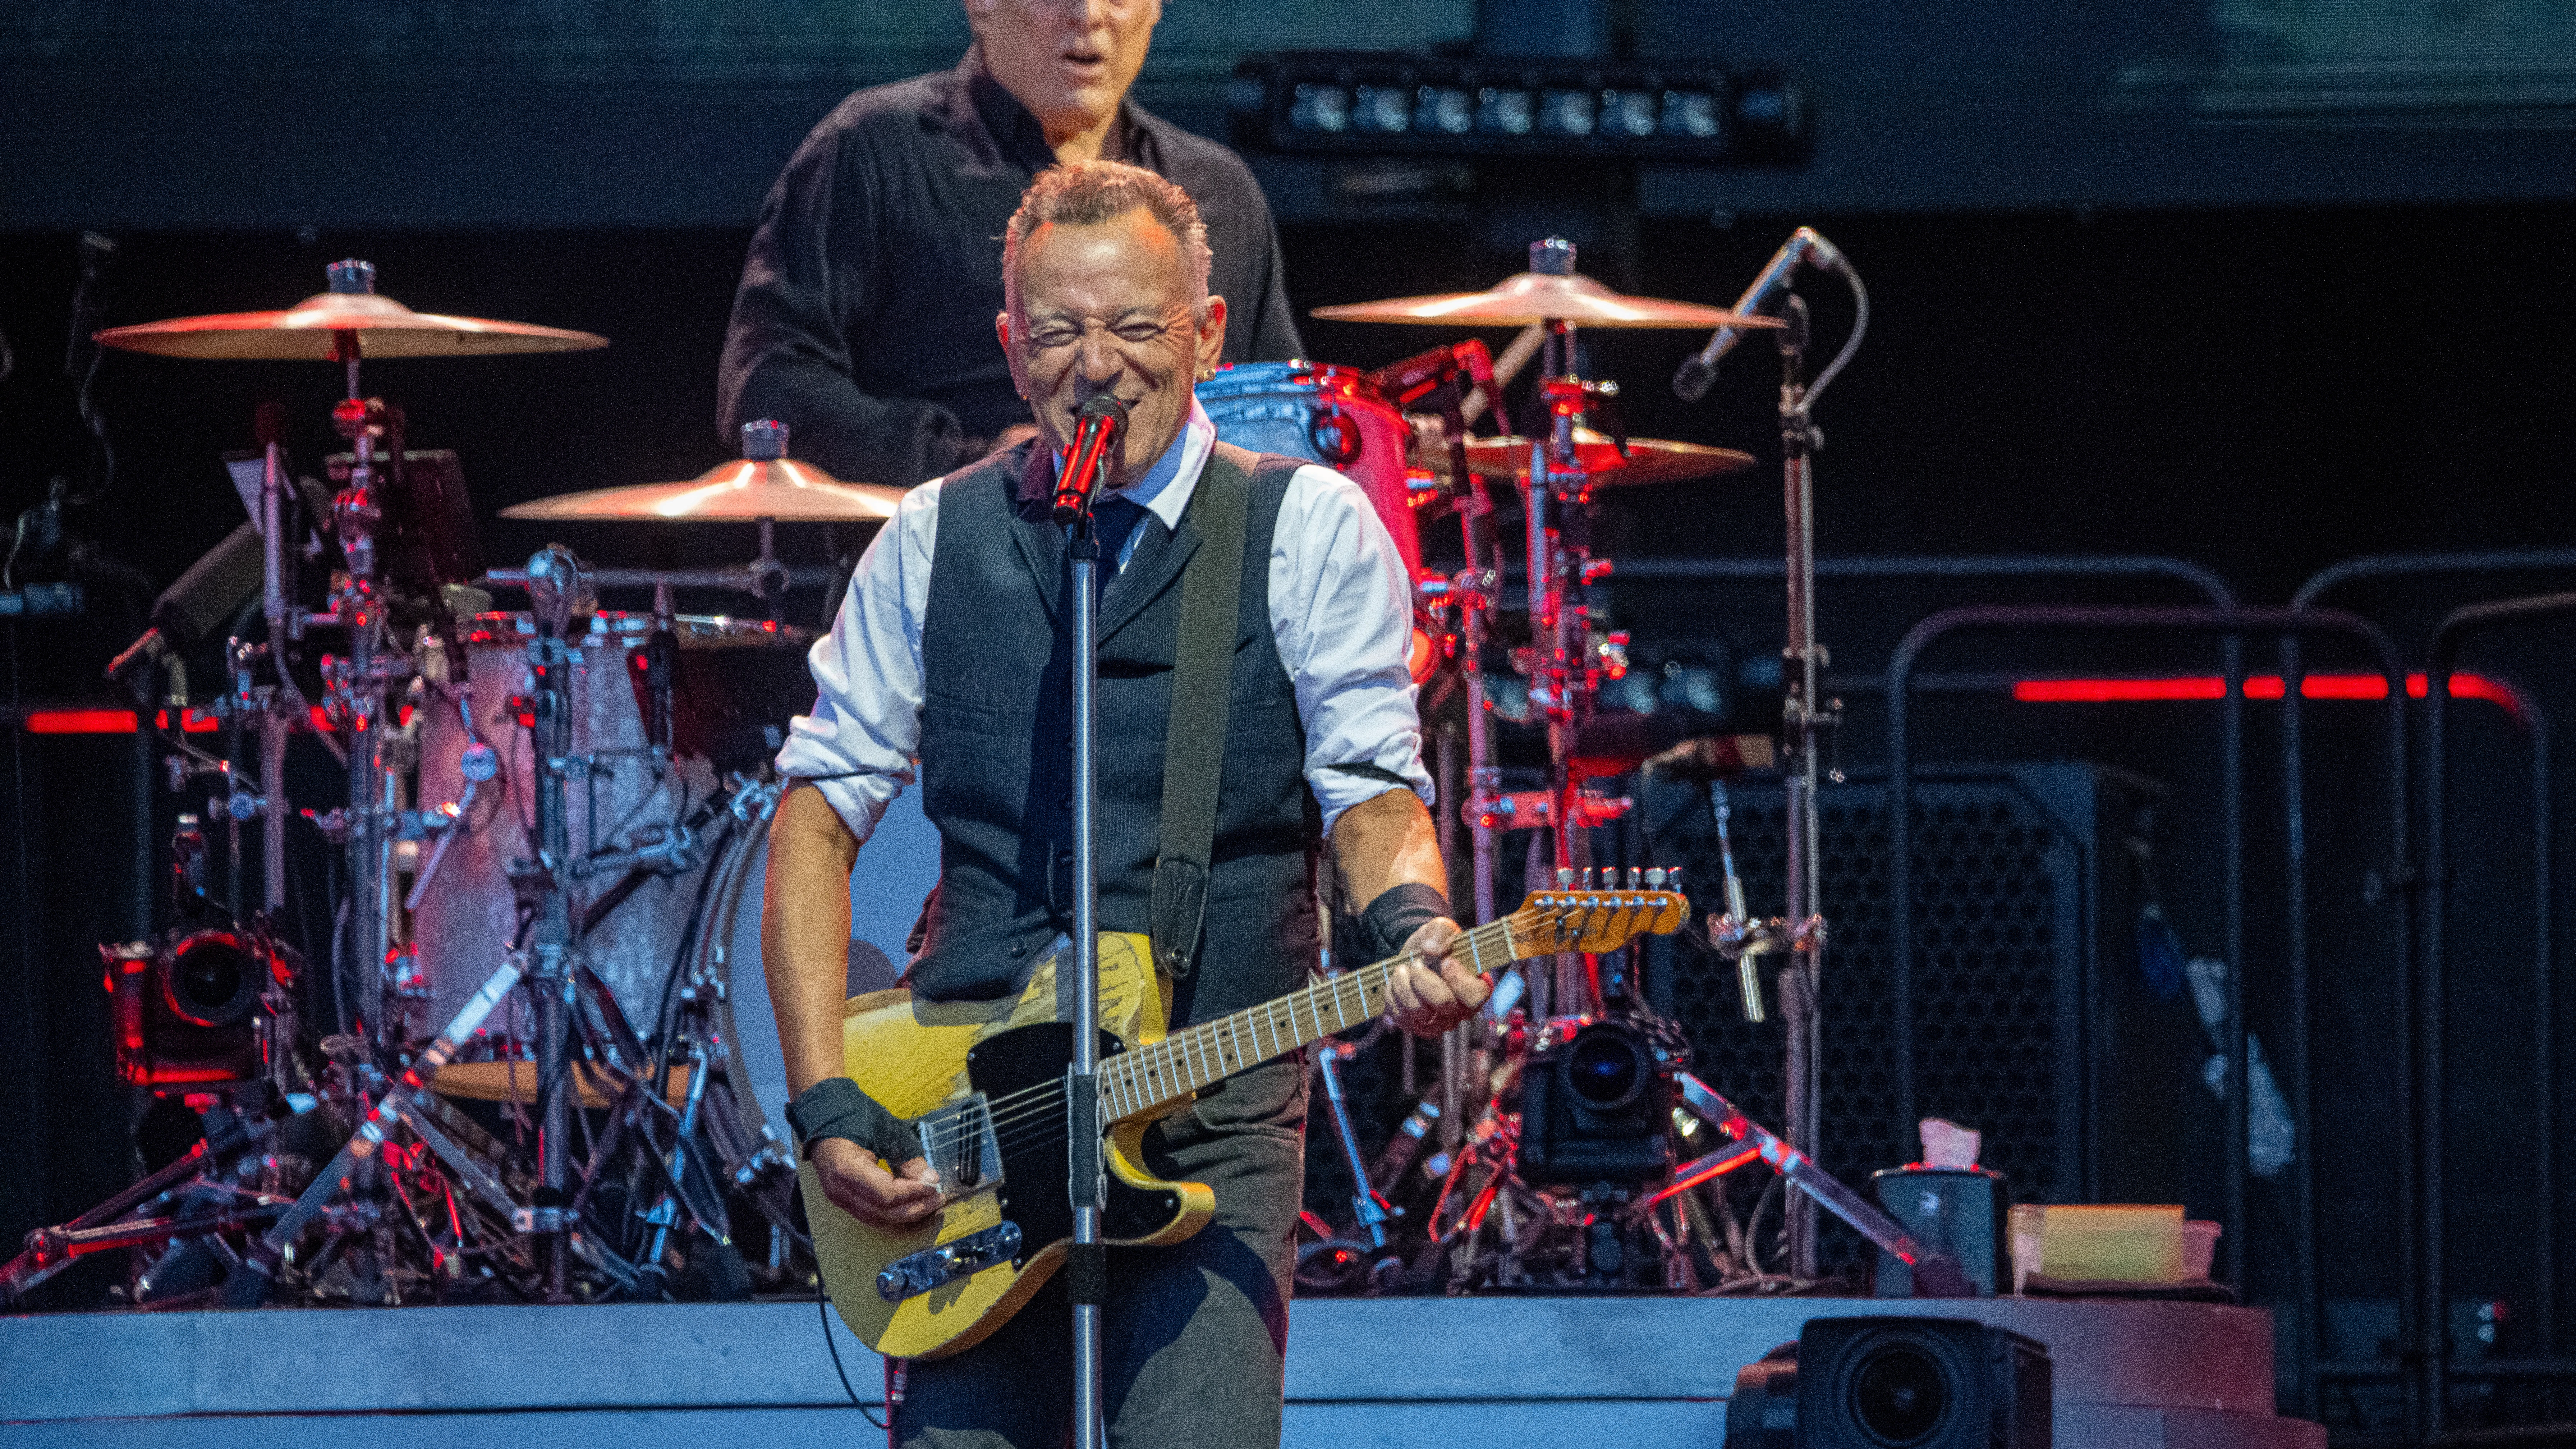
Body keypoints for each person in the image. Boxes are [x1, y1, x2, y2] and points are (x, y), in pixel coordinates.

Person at [761, 160, 1483, 1448]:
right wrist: (823, 1102)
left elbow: (1372, 792)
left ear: (1206, 332)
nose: (1096, 365)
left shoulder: (1304, 528)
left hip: (1208, 1114)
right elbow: (814, 821)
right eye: (1058, 332)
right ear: (1010, 346)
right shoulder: (933, 538)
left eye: (1135, 327)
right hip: (971, 1119)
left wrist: (1413, 919)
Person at [716, 0, 1304, 490]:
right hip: (947, 567)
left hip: (1181, 587)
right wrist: (975, 463)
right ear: (981, 5)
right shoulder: (873, 151)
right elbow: (770, 384)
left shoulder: (1217, 193)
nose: (1089, 15)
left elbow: (1277, 416)